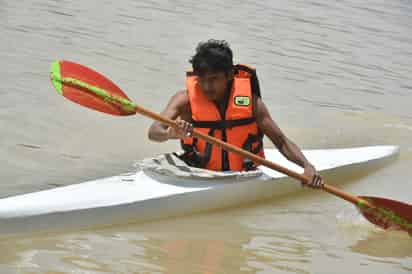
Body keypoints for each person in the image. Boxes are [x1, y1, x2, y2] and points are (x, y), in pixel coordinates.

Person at [148, 39, 323, 188]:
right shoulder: (184, 100)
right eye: (202, 80)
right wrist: (169, 134)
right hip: (198, 175)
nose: (207, 87)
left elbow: (281, 141)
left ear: (230, 75)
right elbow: (153, 132)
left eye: (214, 79)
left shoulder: (251, 102)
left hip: (244, 176)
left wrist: (307, 166)